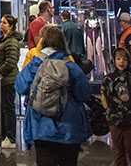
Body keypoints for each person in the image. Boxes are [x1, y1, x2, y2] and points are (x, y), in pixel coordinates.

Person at [15, 24, 91, 165]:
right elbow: (84, 94)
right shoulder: (71, 66)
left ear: (43, 41)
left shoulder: (35, 64)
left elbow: (20, 86)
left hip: (41, 129)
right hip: (69, 129)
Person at [0, 14, 22, 149]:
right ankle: (3, 134)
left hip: (8, 80)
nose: (1, 24)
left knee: (8, 108)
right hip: (0, 80)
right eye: (1, 22)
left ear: (11, 26)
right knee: (0, 108)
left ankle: (11, 138)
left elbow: (11, 61)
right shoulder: (3, 40)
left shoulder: (12, 42)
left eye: (4, 23)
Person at [102, 47, 131, 166]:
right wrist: (109, 113)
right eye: (118, 59)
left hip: (129, 120)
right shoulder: (108, 79)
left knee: (130, 147)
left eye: (125, 59)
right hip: (114, 120)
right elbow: (105, 98)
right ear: (114, 60)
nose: (121, 62)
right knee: (118, 150)